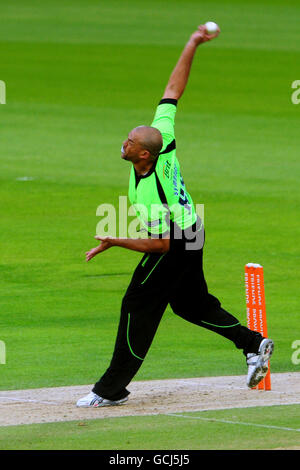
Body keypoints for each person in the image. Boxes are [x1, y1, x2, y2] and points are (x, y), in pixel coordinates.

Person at [77, 25, 274, 408]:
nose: (125, 142)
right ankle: (254, 345)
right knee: (191, 304)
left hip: (176, 239)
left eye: (130, 142)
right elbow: (172, 91)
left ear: (145, 155)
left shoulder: (155, 195)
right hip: (193, 228)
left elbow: (160, 245)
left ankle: (110, 389)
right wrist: (192, 42)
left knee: (138, 304)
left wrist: (115, 240)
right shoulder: (161, 134)